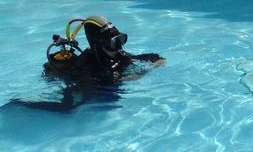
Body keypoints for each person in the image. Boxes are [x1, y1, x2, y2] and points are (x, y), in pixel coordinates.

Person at [8, 15, 164, 112]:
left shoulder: (117, 54)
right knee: (67, 109)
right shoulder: (88, 66)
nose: (119, 47)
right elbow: (102, 82)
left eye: (121, 40)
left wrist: (157, 60)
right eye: (114, 43)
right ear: (99, 44)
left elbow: (151, 58)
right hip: (78, 82)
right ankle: (20, 104)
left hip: (104, 81)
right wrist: (130, 77)